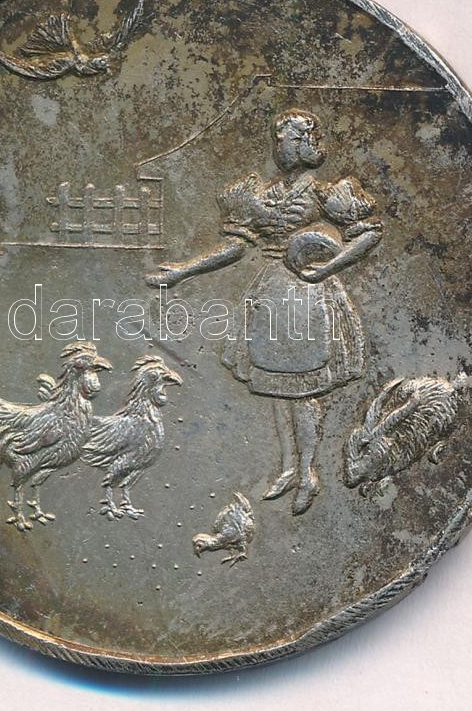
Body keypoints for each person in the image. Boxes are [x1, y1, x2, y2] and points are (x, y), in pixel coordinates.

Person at [145, 109, 383, 515]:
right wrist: (185, 270)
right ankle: (289, 467)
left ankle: (308, 473)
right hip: (271, 293)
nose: (279, 147)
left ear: (304, 145)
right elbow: (237, 246)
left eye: (286, 139)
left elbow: (369, 233)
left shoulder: (323, 194)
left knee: (303, 390)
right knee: (276, 385)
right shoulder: (263, 194)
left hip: (308, 296)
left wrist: (329, 266)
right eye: (277, 140)